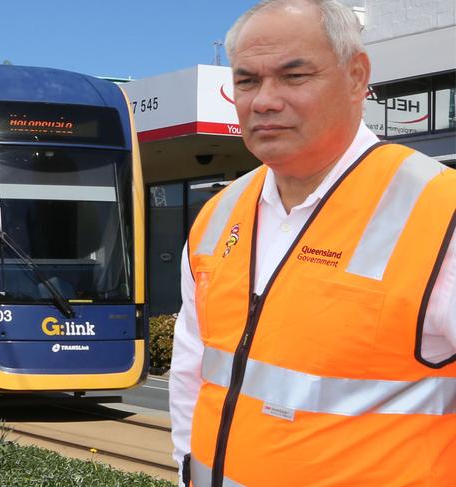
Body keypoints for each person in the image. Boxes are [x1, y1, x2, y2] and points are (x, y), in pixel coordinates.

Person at [168, 0, 456, 485]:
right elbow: (191, 369)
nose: (264, 100)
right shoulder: (217, 216)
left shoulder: (440, 211)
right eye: (247, 80)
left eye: (294, 76)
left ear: (356, 77)